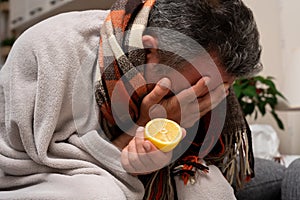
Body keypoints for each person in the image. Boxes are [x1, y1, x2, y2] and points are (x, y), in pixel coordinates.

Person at [0, 0, 262, 199]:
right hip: (33, 173)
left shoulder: (207, 70)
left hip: (135, 169)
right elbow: (27, 161)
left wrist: (155, 150)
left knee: (209, 190)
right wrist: (141, 128)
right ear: (151, 51)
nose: (206, 98)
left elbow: (199, 158)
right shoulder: (52, 51)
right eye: (199, 86)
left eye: (221, 88)